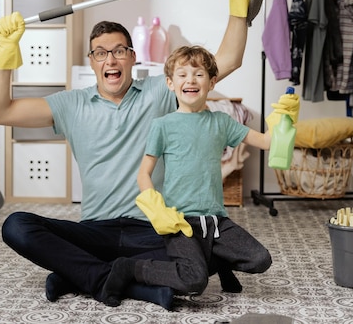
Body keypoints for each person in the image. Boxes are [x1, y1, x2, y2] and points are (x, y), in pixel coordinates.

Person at [0, 0, 255, 310]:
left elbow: (228, 59)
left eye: (118, 51)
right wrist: (5, 54)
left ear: (132, 57)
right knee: (17, 226)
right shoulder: (71, 104)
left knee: (206, 253)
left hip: (153, 230)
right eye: (100, 53)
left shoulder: (160, 91)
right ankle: (112, 280)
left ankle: (78, 275)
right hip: (96, 230)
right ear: (92, 61)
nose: (110, 60)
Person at [99, 45, 299, 306]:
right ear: (170, 83)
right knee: (194, 281)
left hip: (216, 221)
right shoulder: (163, 125)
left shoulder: (222, 122)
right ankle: (129, 268)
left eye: (199, 75)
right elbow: (143, 174)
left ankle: (218, 261)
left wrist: (286, 119)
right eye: (182, 75)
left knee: (260, 259)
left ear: (212, 82)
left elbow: (266, 141)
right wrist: (157, 209)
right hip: (180, 222)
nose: (190, 80)